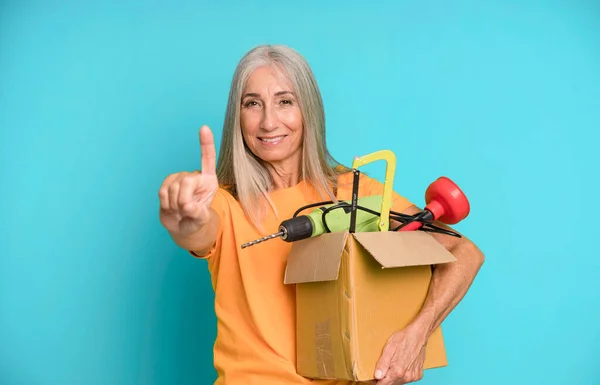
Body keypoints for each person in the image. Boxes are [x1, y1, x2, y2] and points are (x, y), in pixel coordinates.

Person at [158, 44, 485, 385]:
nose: (269, 121)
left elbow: (464, 252)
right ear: (237, 116)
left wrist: (417, 335)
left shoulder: (355, 193)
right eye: (252, 103)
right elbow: (197, 229)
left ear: (308, 110)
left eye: (285, 101)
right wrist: (184, 213)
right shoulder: (224, 203)